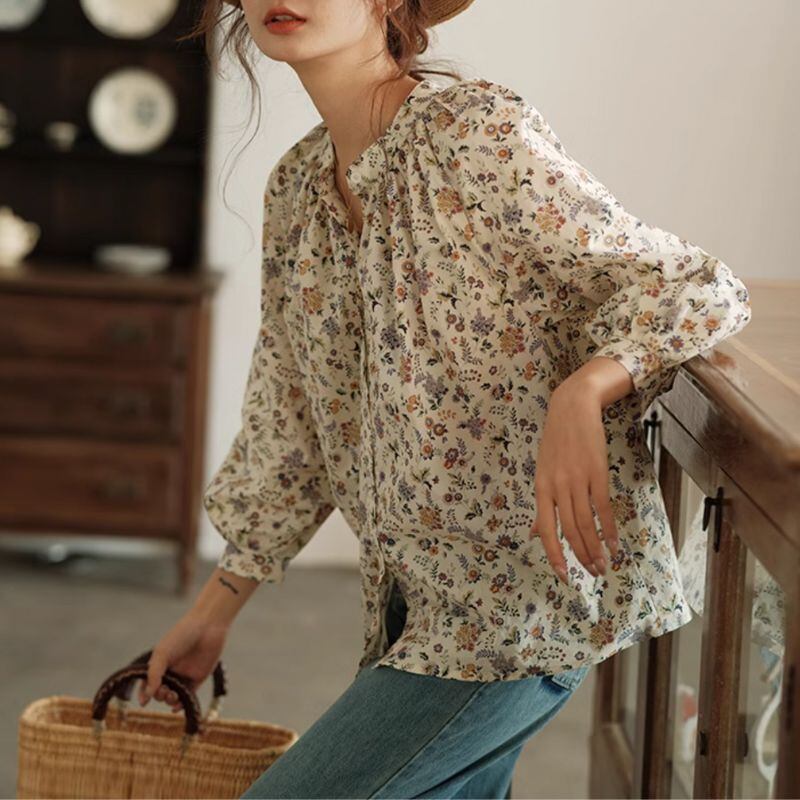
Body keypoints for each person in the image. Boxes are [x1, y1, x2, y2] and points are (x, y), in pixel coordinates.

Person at [138, 1, 753, 797]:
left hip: (517, 612)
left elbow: (693, 285)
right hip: (408, 605)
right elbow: (288, 420)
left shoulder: (473, 135)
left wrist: (587, 386)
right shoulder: (295, 190)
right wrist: (215, 608)